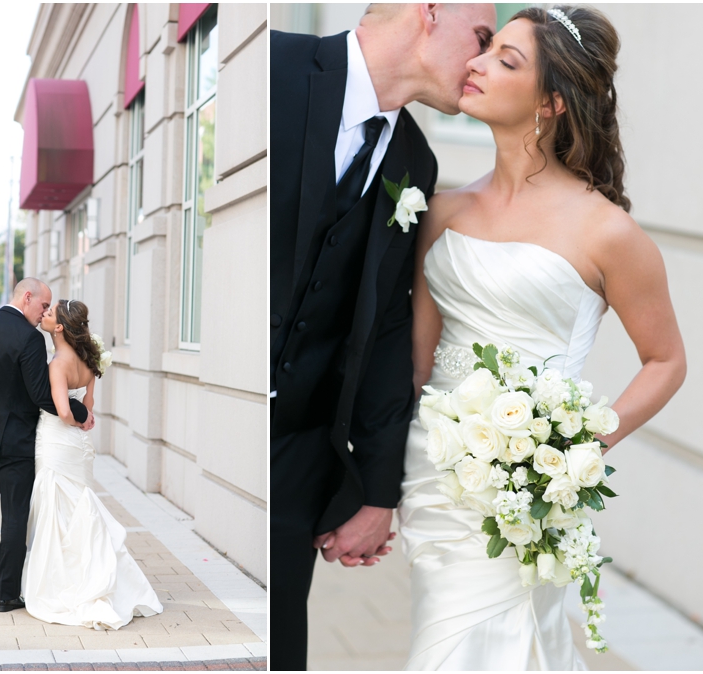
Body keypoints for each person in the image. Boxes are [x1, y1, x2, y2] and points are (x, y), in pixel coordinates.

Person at [399, 6, 686, 669]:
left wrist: (579, 443)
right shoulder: (441, 210)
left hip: (527, 492)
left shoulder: (606, 231)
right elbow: (416, 364)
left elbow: (667, 360)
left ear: (552, 102)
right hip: (436, 479)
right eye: (486, 49)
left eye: (506, 60)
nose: (475, 64)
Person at [270, 4, 498, 669]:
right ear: (429, 12)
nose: (482, 62)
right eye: (481, 39)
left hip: (299, 457)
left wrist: (375, 493)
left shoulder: (413, 162)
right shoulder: (276, 68)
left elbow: (382, 330)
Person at [0, 278, 93, 612]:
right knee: (14, 519)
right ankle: (6, 595)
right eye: (43, 305)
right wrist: (80, 411)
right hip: (17, 445)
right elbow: (42, 394)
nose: (44, 314)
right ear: (27, 297)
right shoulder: (29, 338)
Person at [21, 299, 163, 628]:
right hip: (80, 445)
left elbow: (65, 411)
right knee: (78, 503)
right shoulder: (88, 358)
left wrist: (74, 420)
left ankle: (62, 582)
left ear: (59, 327)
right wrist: (84, 422)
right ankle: (91, 572)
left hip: (58, 439)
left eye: (49, 312)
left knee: (56, 507)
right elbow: (88, 404)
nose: (43, 313)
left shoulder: (58, 363)